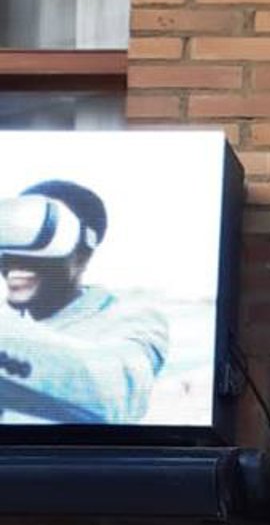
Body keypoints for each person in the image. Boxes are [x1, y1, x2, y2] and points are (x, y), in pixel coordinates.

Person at [0, 179, 168, 425]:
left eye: (44, 238)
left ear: (82, 255)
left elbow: (116, 394)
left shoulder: (132, 319)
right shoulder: (12, 320)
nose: (16, 259)